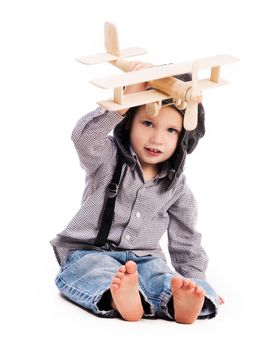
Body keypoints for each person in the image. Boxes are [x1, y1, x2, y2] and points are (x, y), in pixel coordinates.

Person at [50, 61, 224, 324]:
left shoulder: (177, 188)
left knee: (161, 277)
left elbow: (186, 239)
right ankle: (122, 298)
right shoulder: (106, 158)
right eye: (147, 123)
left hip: (145, 260)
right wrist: (125, 100)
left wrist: (195, 278)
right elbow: (83, 138)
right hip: (90, 252)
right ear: (129, 122)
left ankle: (181, 303)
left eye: (171, 130)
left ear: (183, 138)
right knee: (91, 271)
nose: (157, 139)